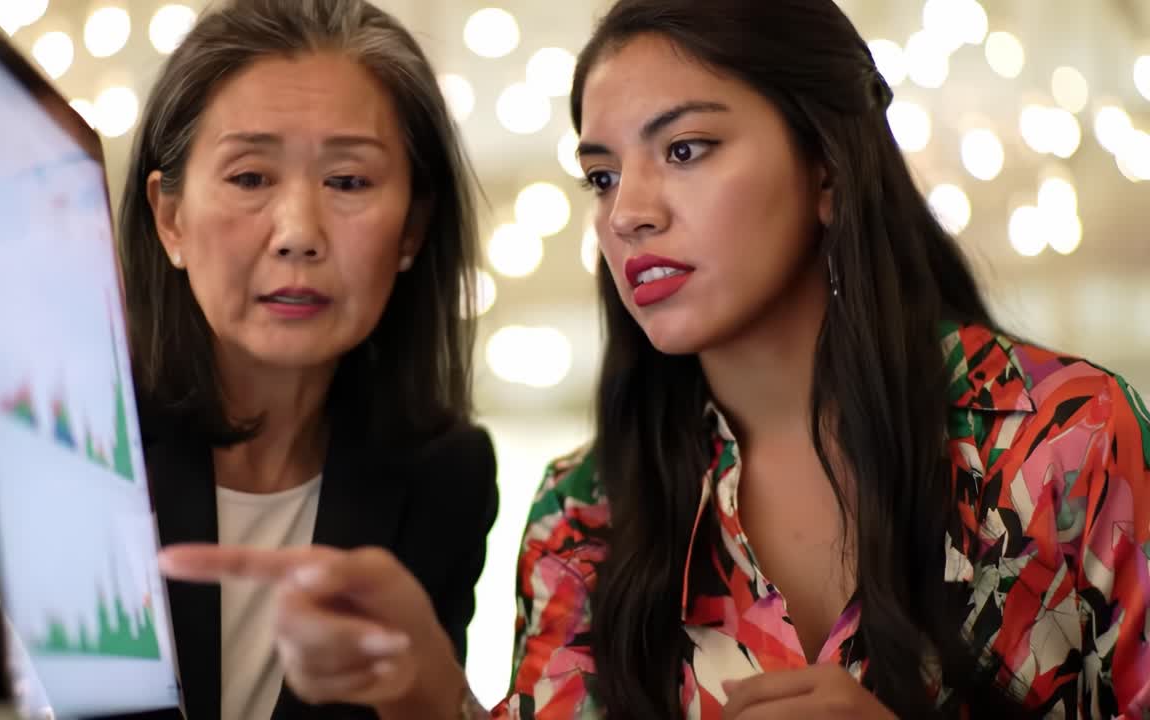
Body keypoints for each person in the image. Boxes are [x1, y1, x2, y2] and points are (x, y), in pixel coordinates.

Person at [160, 0, 1150, 718]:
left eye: (682, 151)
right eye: (600, 173)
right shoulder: (586, 515)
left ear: (826, 168)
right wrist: (425, 690)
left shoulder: (1067, 442)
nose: (626, 210)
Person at [0, 1, 497, 719]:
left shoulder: (444, 475)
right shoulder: (68, 444)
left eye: (349, 182)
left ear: (412, 230)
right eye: (250, 178)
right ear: (169, 218)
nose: (298, 233)